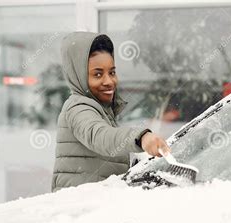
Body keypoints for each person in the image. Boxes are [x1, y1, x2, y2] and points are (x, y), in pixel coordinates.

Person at [52, 32, 169, 191]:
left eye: (112, 72)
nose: (109, 81)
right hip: (78, 210)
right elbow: (100, 136)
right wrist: (141, 137)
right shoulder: (78, 107)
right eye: (98, 74)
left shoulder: (101, 110)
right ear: (78, 76)